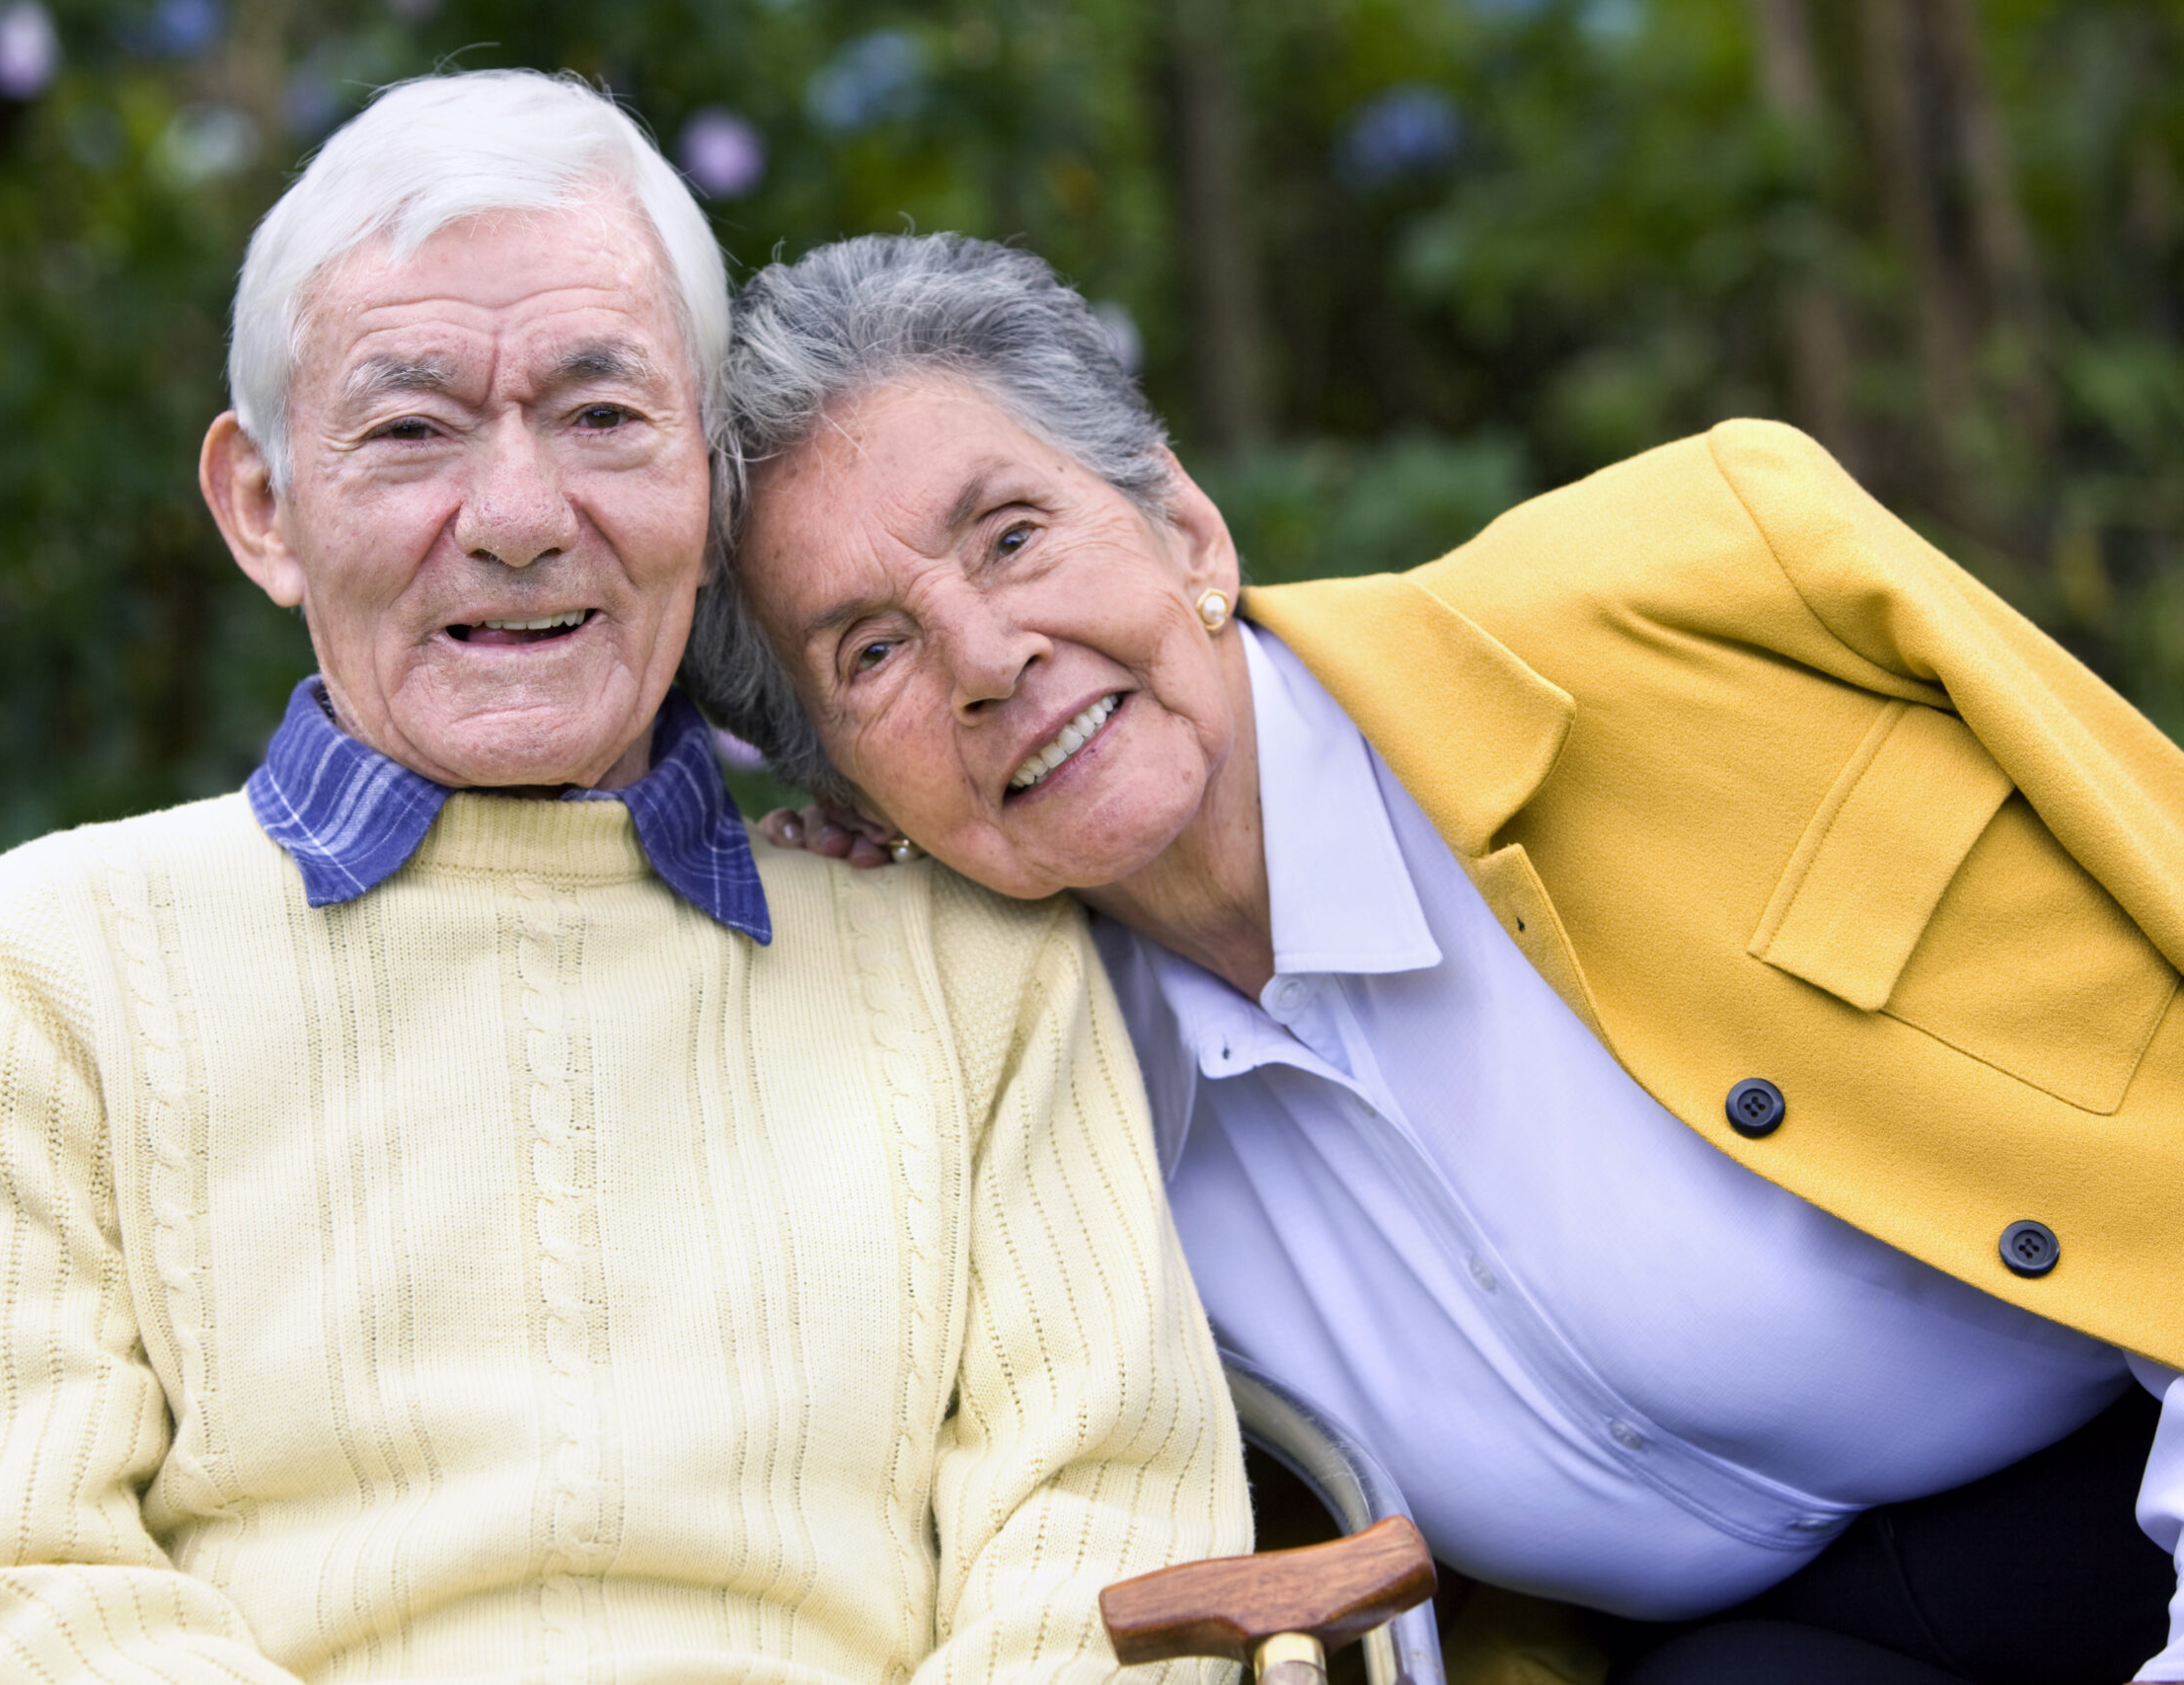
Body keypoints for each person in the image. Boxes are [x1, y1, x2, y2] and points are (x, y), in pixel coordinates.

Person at [0, 81, 1247, 1685]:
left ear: (707, 492)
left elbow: (1113, 1537)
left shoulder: (965, 964)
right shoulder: (53, 967)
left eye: (600, 417)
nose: (517, 520)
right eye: (411, 428)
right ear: (262, 505)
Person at [688, 232, 2184, 1685]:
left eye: (1012, 536)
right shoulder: (1026, 1078)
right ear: (845, 788)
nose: (985, 658)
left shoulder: (1711, 592)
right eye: (869, 652)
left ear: (1185, 528)